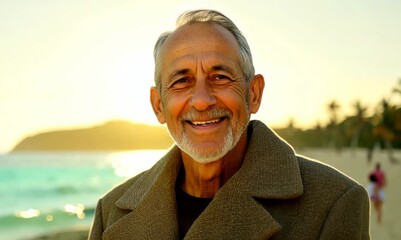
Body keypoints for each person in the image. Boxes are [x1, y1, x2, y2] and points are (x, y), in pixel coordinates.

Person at [89, 9, 370, 239]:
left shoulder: (334, 202)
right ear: (158, 105)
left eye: (220, 77)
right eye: (182, 81)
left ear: (254, 94)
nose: (201, 100)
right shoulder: (111, 212)